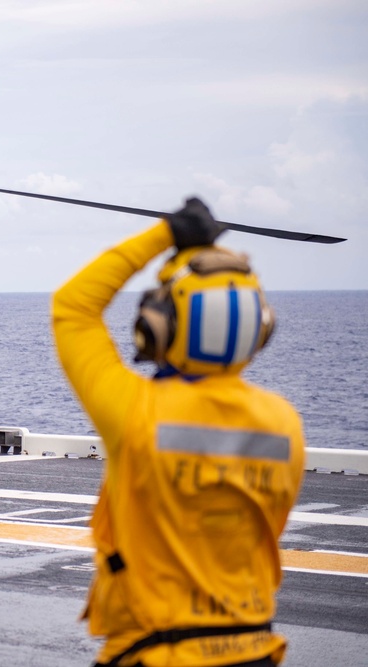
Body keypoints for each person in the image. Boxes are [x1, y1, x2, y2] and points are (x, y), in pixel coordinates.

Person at [51, 197, 305, 667]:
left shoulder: (137, 411)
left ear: (158, 325)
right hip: (256, 649)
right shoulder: (284, 423)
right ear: (260, 326)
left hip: (158, 652)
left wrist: (164, 235)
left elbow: (73, 307)